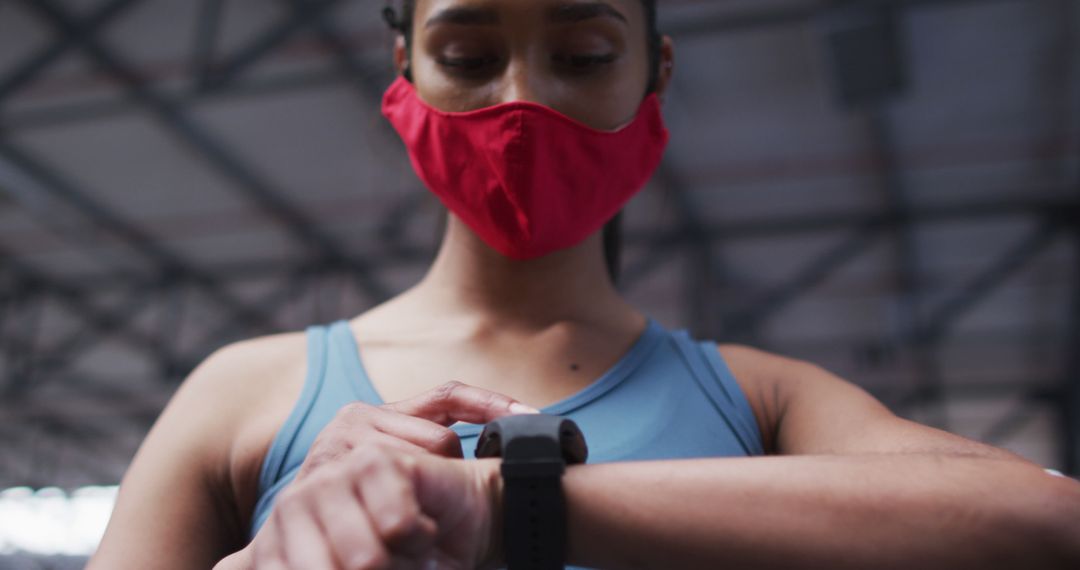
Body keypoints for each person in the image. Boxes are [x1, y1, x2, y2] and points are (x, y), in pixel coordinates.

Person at [89, 0, 1080, 568]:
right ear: (404, 68)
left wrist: (499, 496)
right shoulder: (240, 391)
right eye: (469, 56)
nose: (522, 101)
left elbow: (1044, 521)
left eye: (584, 55)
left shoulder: (760, 396)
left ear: (655, 70)